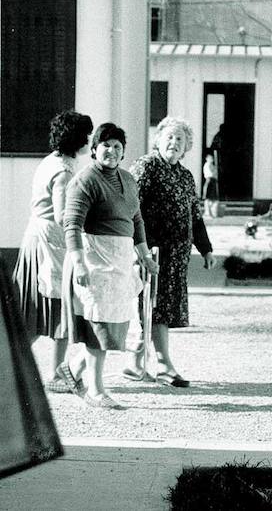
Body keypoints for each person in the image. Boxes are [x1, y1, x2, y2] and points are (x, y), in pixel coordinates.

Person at [61, 123, 159, 409]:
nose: (112, 151)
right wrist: (79, 263)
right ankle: (95, 390)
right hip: (95, 259)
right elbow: (71, 225)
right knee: (99, 325)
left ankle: (72, 369)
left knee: (112, 325)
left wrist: (144, 255)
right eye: (106, 145)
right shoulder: (85, 180)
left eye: (118, 147)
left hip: (121, 259)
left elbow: (136, 221)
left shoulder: (128, 180)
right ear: (94, 149)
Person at [124, 117, 216, 387]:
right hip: (151, 252)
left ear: (186, 146)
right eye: (169, 137)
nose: (174, 143)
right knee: (152, 306)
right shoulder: (147, 166)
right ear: (158, 139)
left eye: (180, 139)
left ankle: (134, 363)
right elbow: (131, 208)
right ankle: (164, 365)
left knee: (156, 308)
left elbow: (195, 217)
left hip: (176, 258)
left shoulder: (185, 175)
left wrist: (206, 249)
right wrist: (139, 247)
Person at [14, 111, 93, 395]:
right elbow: (63, 215)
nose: (89, 140)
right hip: (51, 244)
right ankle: (55, 374)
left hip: (37, 238)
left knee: (38, 311)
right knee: (59, 310)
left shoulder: (51, 161)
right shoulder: (63, 170)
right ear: (77, 138)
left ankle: (45, 370)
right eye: (86, 134)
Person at [202, 152, 219, 218]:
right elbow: (211, 173)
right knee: (207, 197)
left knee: (213, 198)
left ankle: (212, 213)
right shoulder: (207, 165)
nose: (211, 159)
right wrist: (214, 171)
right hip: (209, 180)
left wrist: (215, 170)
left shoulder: (212, 165)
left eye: (212, 158)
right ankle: (207, 213)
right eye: (209, 158)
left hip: (213, 181)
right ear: (207, 159)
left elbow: (215, 174)